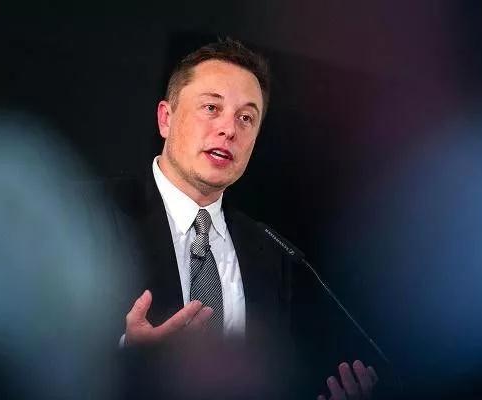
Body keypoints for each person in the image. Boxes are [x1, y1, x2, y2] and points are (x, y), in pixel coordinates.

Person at [112, 38, 378, 400]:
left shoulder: (274, 254)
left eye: (246, 118)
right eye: (211, 107)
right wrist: (127, 357)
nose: (229, 130)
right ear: (166, 118)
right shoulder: (93, 215)